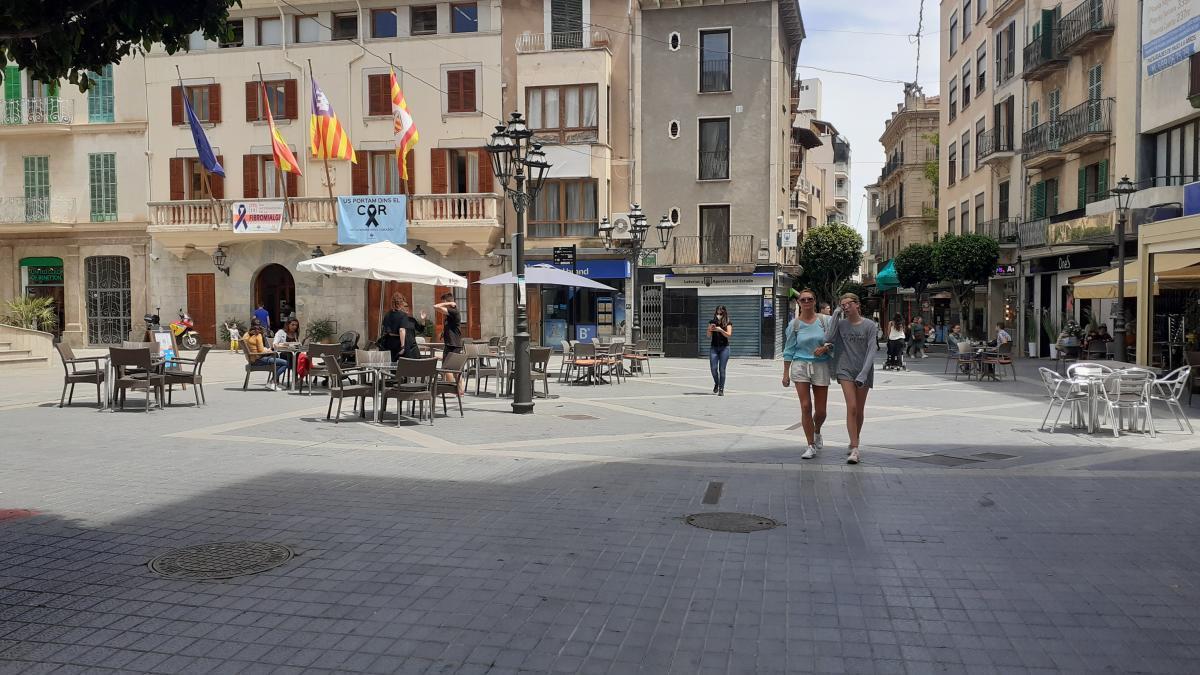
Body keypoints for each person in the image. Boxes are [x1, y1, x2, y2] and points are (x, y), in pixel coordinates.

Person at [817, 293, 878, 465]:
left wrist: (864, 373)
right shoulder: (841, 324)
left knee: (859, 409)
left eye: (848, 304)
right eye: (842, 305)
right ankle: (856, 449)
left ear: (857, 305)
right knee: (851, 407)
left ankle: (854, 440)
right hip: (844, 369)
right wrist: (836, 314)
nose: (845, 307)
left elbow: (872, 350)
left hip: (863, 369)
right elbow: (827, 339)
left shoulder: (870, 325)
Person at [781, 289, 832, 459]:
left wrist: (826, 348)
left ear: (815, 301)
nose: (807, 302)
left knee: (821, 411)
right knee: (805, 406)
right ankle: (810, 444)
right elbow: (789, 350)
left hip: (820, 366)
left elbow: (835, 341)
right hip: (801, 365)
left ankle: (817, 431)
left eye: (810, 299)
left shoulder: (826, 321)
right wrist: (785, 373)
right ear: (799, 303)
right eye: (803, 299)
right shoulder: (794, 325)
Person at [434, 292, 465, 394]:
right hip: (452, 343)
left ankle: (453, 390)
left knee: (447, 368)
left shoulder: (454, 312)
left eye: (444, 302)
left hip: (453, 344)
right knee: (454, 369)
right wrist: (443, 333)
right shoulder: (451, 314)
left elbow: (436, 307)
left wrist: (446, 304)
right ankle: (460, 390)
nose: (442, 303)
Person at [244, 324, 289, 390]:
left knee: (277, 358)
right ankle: (272, 382)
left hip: (252, 359)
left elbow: (256, 348)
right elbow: (261, 351)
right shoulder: (258, 336)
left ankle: (275, 383)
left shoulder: (246, 335)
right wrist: (268, 350)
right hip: (259, 360)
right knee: (285, 363)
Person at [706, 305, 733, 396]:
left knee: (722, 369)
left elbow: (729, 335)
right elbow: (708, 336)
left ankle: (721, 389)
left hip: (724, 348)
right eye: (717, 312)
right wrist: (710, 329)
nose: (719, 314)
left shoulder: (728, 322)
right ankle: (716, 383)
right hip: (714, 348)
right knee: (713, 368)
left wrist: (721, 330)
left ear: (724, 313)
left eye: (720, 313)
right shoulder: (712, 321)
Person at [380, 294, 408, 362]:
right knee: (400, 364)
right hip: (398, 342)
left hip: (388, 341)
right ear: (401, 303)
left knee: (390, 362)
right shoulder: (403, 315)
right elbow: (402, 330)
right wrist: (403, 346)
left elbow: (383, 328)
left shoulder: (387, 314)